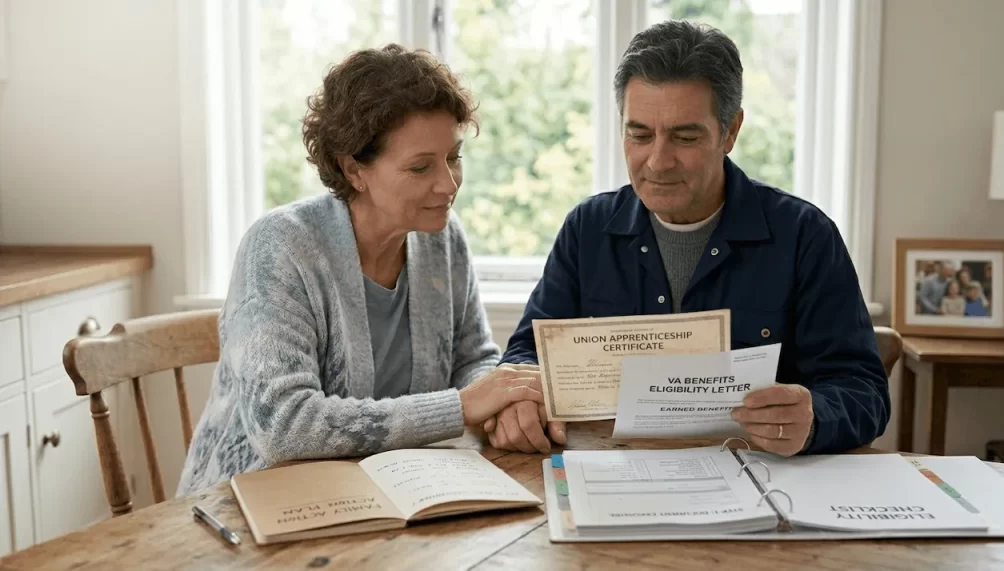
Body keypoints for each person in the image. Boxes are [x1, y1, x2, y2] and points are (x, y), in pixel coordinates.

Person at [489, 19, 891, 457]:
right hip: (611, 475)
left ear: (731, 131)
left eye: (684, 136)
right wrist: (518, 400)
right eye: (639, 134)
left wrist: (813, 418)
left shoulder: (804, 236)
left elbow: (864, 391)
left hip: (758, 480)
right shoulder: (587, 229)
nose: (658, 162)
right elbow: (527, 353)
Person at [177, 44, 544, 496]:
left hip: (392, 496)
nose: (447, 184)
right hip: (253, 506)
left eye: (453, 157)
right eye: (420, 167)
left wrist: (502, 404)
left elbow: (471, 359)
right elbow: (283, 427)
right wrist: (464, 405)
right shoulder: (280, 246)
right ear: (354, 170)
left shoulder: (442, 239)